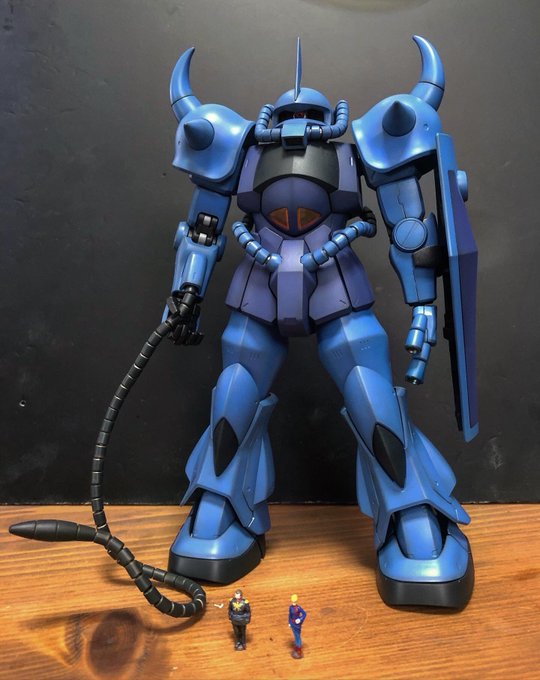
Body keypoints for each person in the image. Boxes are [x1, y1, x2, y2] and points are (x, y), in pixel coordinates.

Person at [288, 594, 307, 659]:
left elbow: (304, 614)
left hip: (297, 624)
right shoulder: (290, 607)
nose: (294, 602)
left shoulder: (299, 608)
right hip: (293, 623)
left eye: (295, 601)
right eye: (293, 601)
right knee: (296, 636)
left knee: (298, 636)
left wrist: (300, 619)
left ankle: (299, 649)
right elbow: (290, 615)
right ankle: (297, 647)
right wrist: (289, 622)